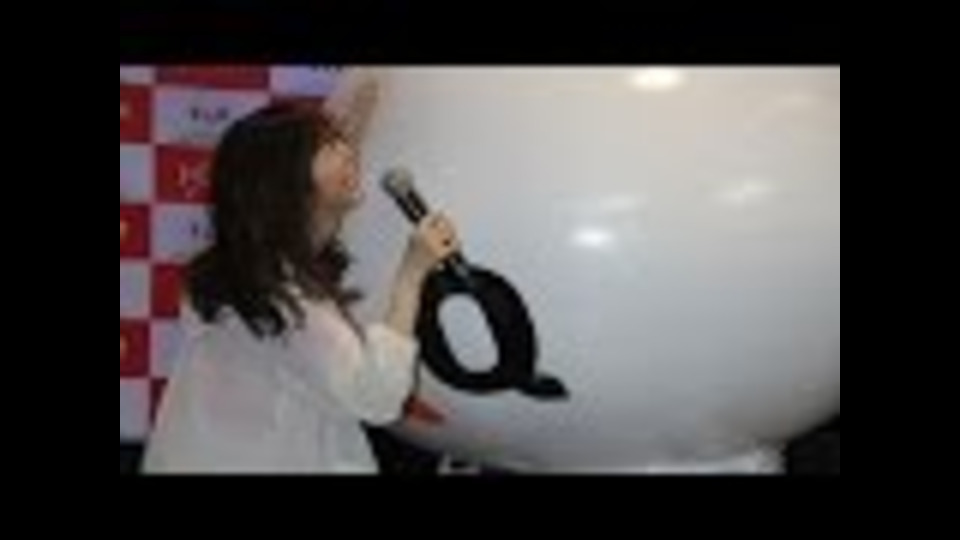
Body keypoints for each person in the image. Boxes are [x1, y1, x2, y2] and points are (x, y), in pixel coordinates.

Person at [142, 71, 460, 474]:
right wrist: (411, 275)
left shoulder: (239, 272)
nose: (349, 155)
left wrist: (349, 132)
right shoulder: (284, 297)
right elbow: (377, 398)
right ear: (286, 179)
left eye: (344, 144)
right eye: (329, 148)